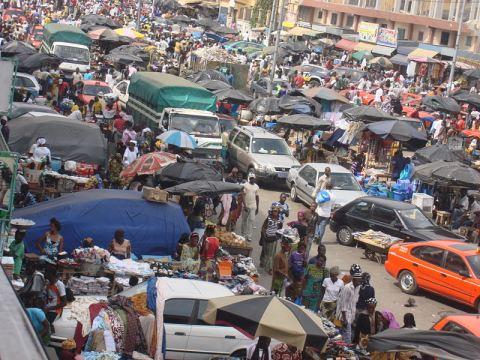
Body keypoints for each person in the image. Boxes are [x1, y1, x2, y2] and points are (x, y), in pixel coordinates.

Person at [335, 264, 363, 343]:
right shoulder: (347, 288)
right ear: (353, 280)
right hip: (343, 318)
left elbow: (353, 304)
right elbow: (343, 305)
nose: (360, 282)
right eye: (358, 280)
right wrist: (345, 319)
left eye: (360, 280)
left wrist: (352, 319)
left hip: (349, 318)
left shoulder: (357, 288)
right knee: (347, 339)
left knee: (340, 337)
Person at [260, 206, 282, 274]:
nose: (275, 212)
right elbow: (263, 227)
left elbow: (280, 230)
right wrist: (264, 235)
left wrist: (277, 237)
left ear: (278, 212)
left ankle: (269, 268)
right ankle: (262, 261)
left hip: (273, 239)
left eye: (276, 211)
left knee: (271, 254)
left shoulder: (279, 221)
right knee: (264, 251)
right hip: (266, 237)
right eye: (274, 211)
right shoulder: (268, 219)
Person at [241, 174, 259, 242]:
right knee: (244, 221)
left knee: (251, 221)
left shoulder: (256, 187)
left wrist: (257, 207)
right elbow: (243, 195)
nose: (252, 179)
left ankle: (249, 236)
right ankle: (243, 234)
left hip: (253, 206)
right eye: (251, 178)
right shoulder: (245, 185)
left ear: (255, 179)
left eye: (253, 178)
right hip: (246, 206)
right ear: (249, 178)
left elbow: (257, 197)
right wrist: (244, 205)